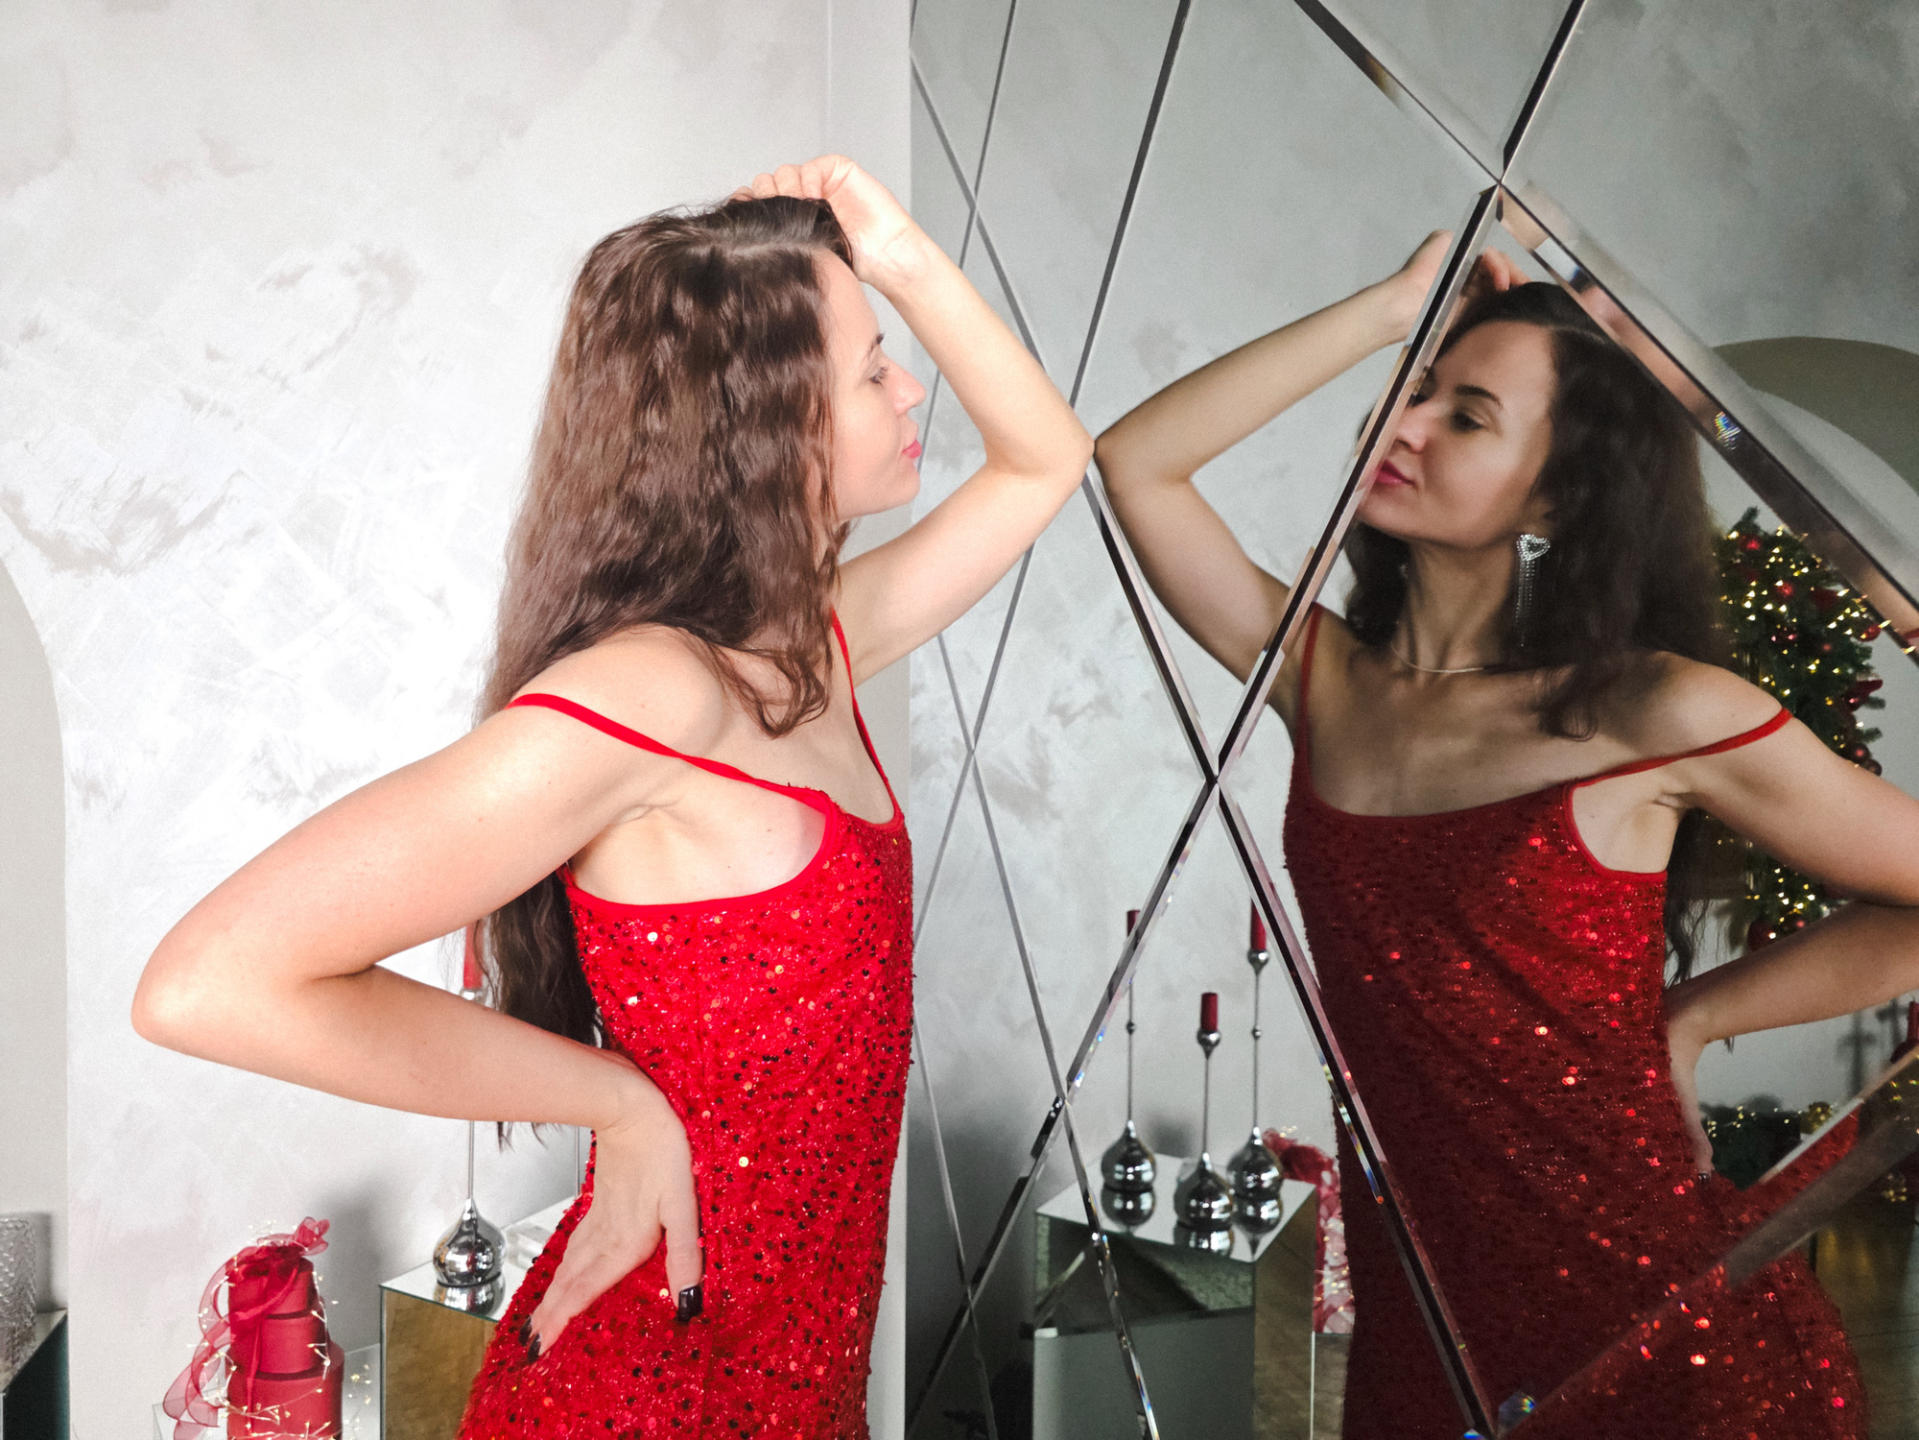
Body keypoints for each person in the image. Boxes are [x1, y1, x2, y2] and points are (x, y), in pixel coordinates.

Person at [133, 156, 1092, 1437]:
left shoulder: (809, 651)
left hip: (794, 1391)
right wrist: (615, 1097)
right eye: (872, 369)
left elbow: (1044, 462)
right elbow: (208, 982)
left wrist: (896, 251)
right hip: (644, 1391)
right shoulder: (650, 694)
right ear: (766, 427)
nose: (910, 388)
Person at [1095, 233, 1919, 1438]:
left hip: (1660, 1329)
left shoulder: (1653, 709)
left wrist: (1693, 1017)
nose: (1405, 425)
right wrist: (1389, 309)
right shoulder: (1327, 682)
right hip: (1430, 1329)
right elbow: (1134, 464)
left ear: (1557, 492)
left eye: (1465, 416)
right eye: (1412, 392)